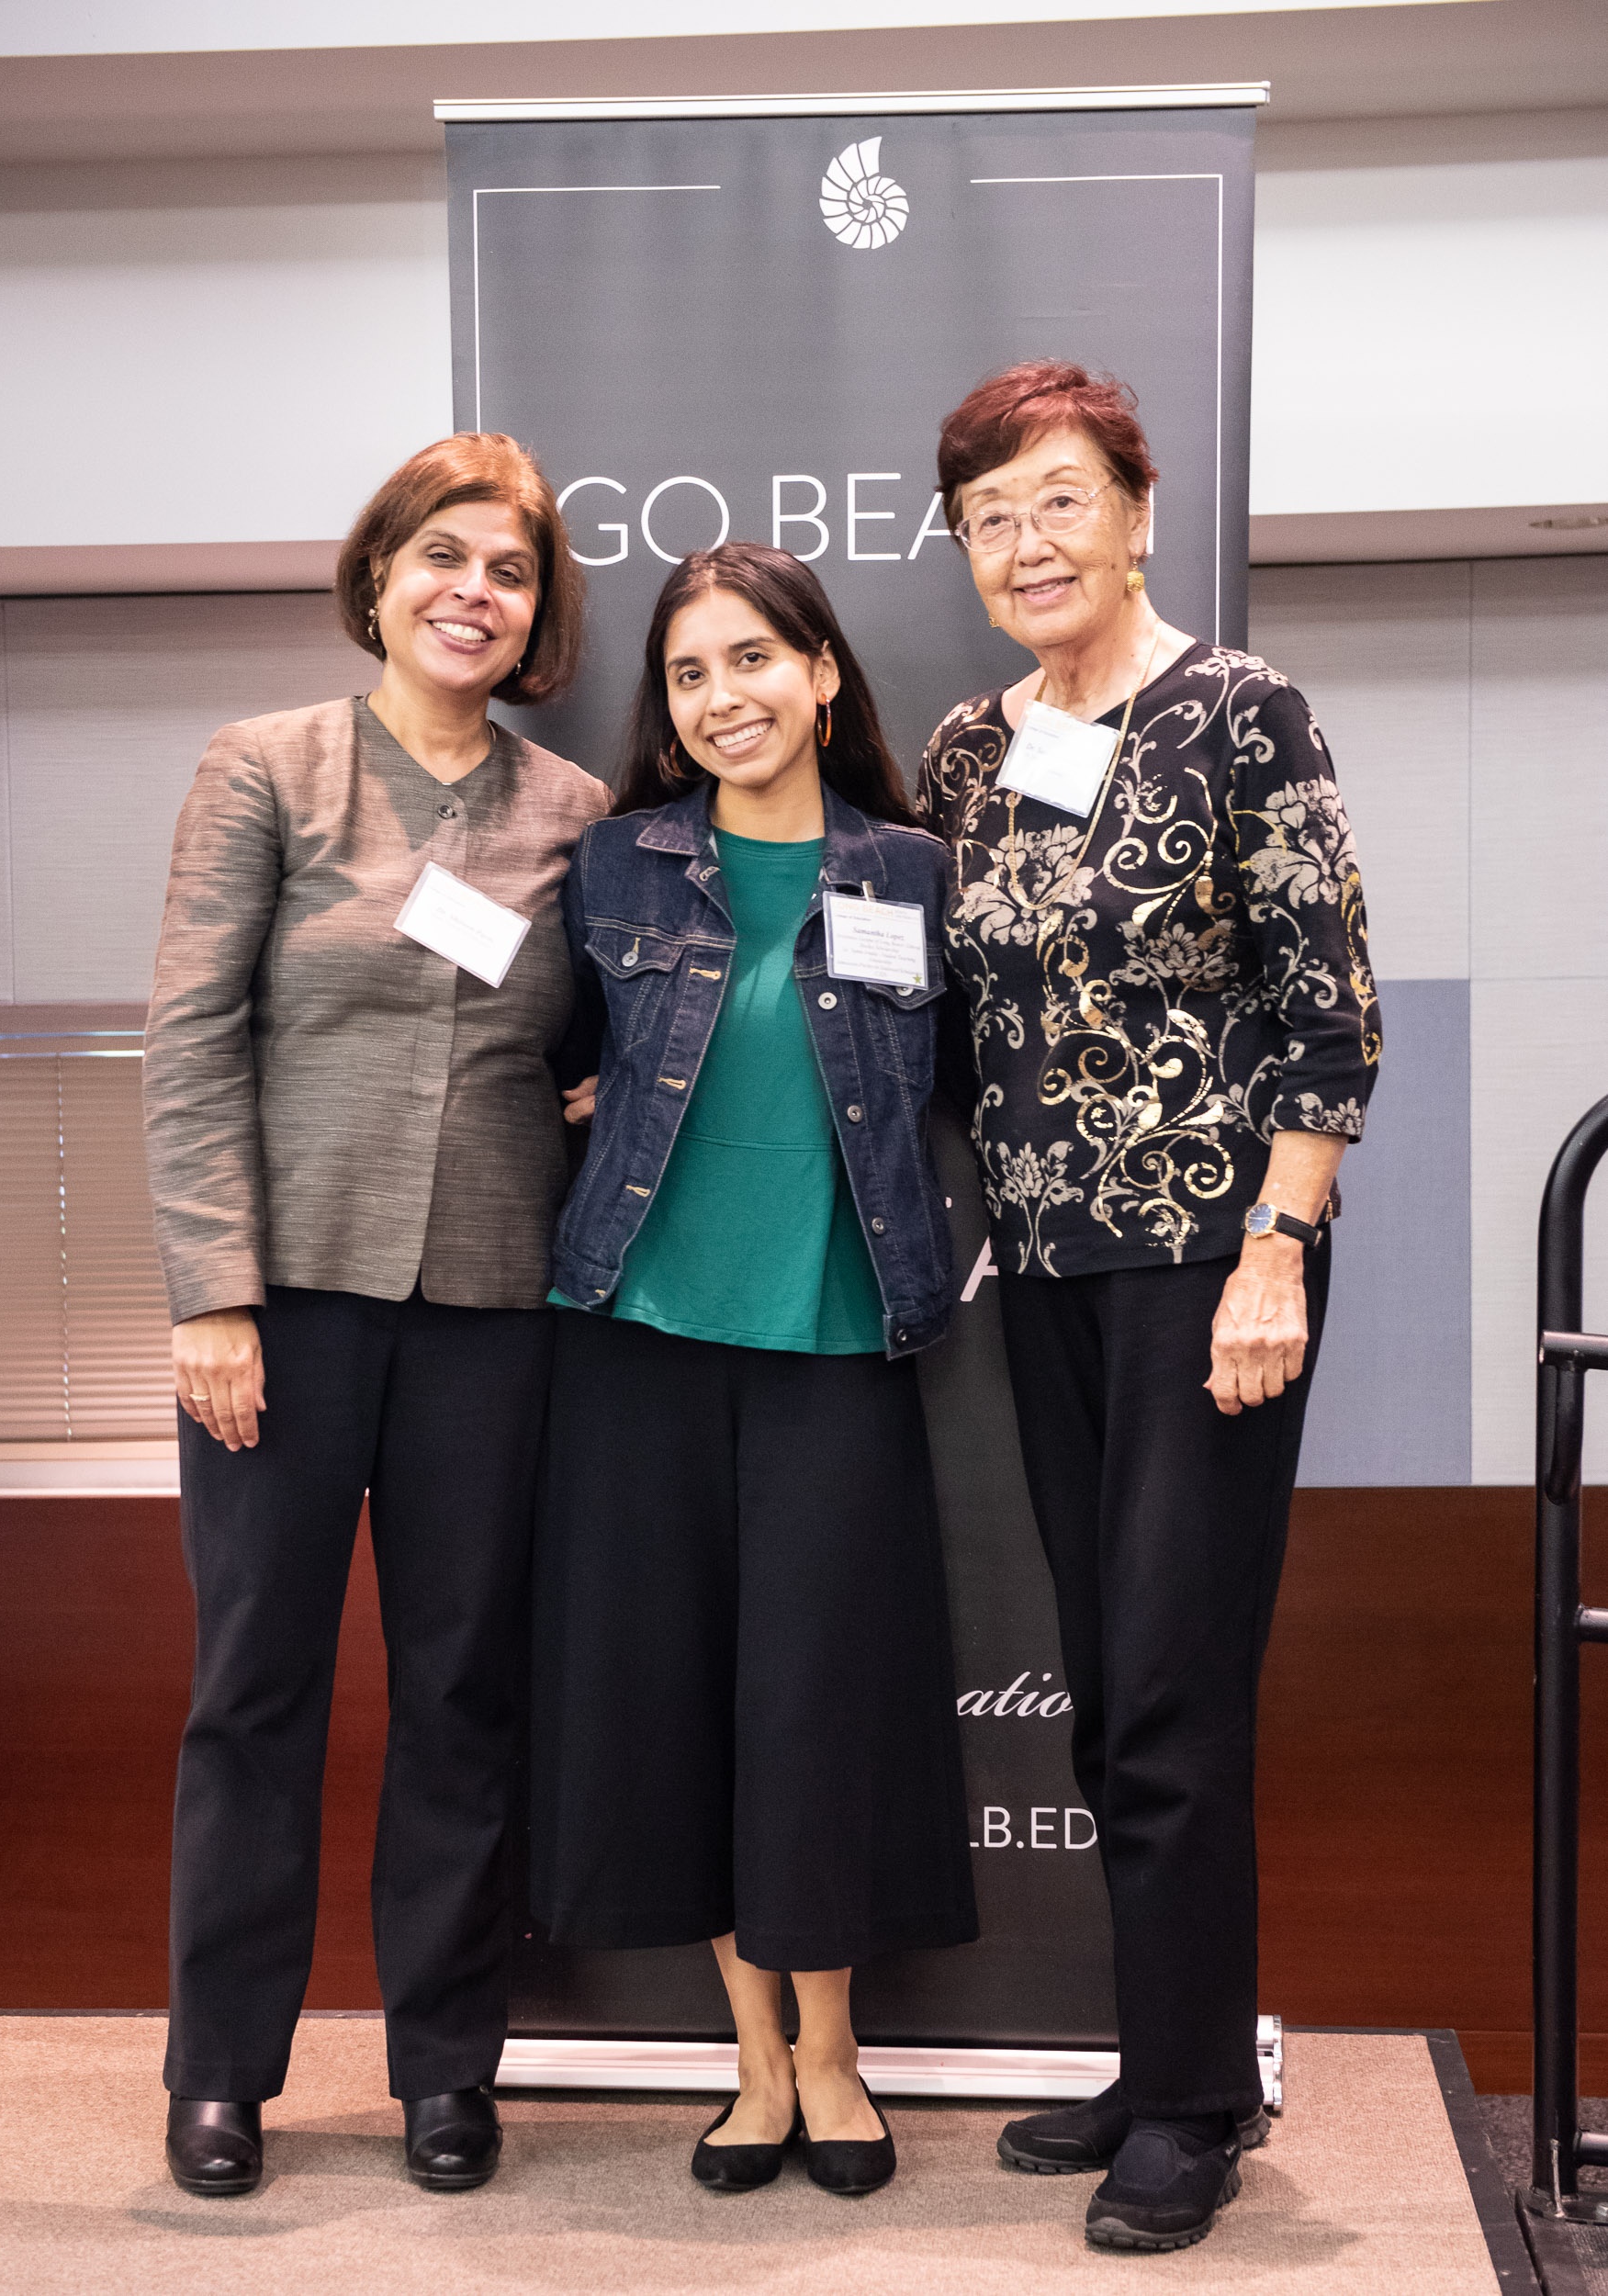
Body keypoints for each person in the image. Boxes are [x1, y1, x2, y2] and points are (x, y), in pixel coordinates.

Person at [918, 361, 1379, 2254]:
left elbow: (1330, 1004)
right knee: (1111, 1691)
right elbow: (925, 1006)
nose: (1026, 543)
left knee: (1174, 1691)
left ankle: (1195, 2104)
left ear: (1134, 508)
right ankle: (1159, 2049)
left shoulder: (1239, 711)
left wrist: (1277, 1248)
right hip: (1040, 1266)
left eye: (1056, 500)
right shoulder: (969, 748)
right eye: (989, 518)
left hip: (1211, 1267)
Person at [142, 433, 609, 2200]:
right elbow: (191, 1043)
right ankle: (221, 2073)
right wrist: (213, 1296)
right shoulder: (266, 769)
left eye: (505, 570)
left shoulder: (571, 811)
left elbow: (594, 1046)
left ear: (535, 610)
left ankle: (445, 2069)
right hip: (279, 1318)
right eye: (442, 557)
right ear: (380, 575)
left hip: (491, 1312)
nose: (470, 591)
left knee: (463, 1694)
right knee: (252, 1693)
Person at [534, 543, 977, 2199]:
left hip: (836, 1347)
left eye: (750, 661)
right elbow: (547, 1064)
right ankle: (753, 2064)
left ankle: (838, 2053)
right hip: (639, 1344)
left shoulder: (910, 872)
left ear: (823, 673)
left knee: (817, 1705)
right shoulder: (620, 865)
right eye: (688, 674)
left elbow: (964, 1092)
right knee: (688, 1699)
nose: (722, 699)